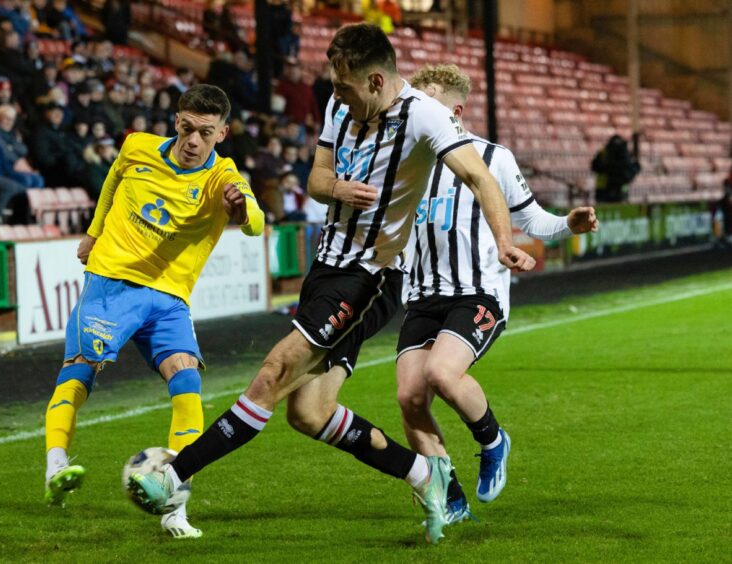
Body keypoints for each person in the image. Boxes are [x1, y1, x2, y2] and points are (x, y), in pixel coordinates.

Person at [129, 24, 534, 545]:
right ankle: (422, 473)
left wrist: (502, 240)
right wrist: (338, 187)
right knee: (308, 411)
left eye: (343, 85)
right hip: (327, 267)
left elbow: (480, 178)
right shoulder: (340, 105)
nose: (333, 94)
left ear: (375, 81)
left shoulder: (425, 116)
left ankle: (174, 475)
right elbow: (317, 180)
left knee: (274, 371)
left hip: (372, 276)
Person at [42, 84, 264, 539]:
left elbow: (254, 221)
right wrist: (93, 231)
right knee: (81, 369)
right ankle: (56, 465)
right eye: (186, 128)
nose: (193, 141)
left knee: (187, 382)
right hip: (111, 284)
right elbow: (112, 183)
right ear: (176, 122)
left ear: (222, 133)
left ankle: (175, 505)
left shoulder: (223, 178)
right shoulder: (137, 147)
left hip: (169, 299)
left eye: (205, 132)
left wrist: (242, 209)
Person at [389, 64, 599, 522]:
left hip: (477, 293)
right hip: (422, 295)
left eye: (427, 102)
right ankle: (451, 494)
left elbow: (531, 220)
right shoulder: (403, 163)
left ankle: (492, 440)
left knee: (443, 374)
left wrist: (567, 224)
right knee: (409, 397)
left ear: (455, 111)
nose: (416, 112)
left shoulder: (491, 157)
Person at [591, 135, 640, 203]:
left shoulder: (604, 153)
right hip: (610, 190)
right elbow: (633, 170)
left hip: (606, 190)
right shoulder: (625, 155)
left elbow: (594, 167)